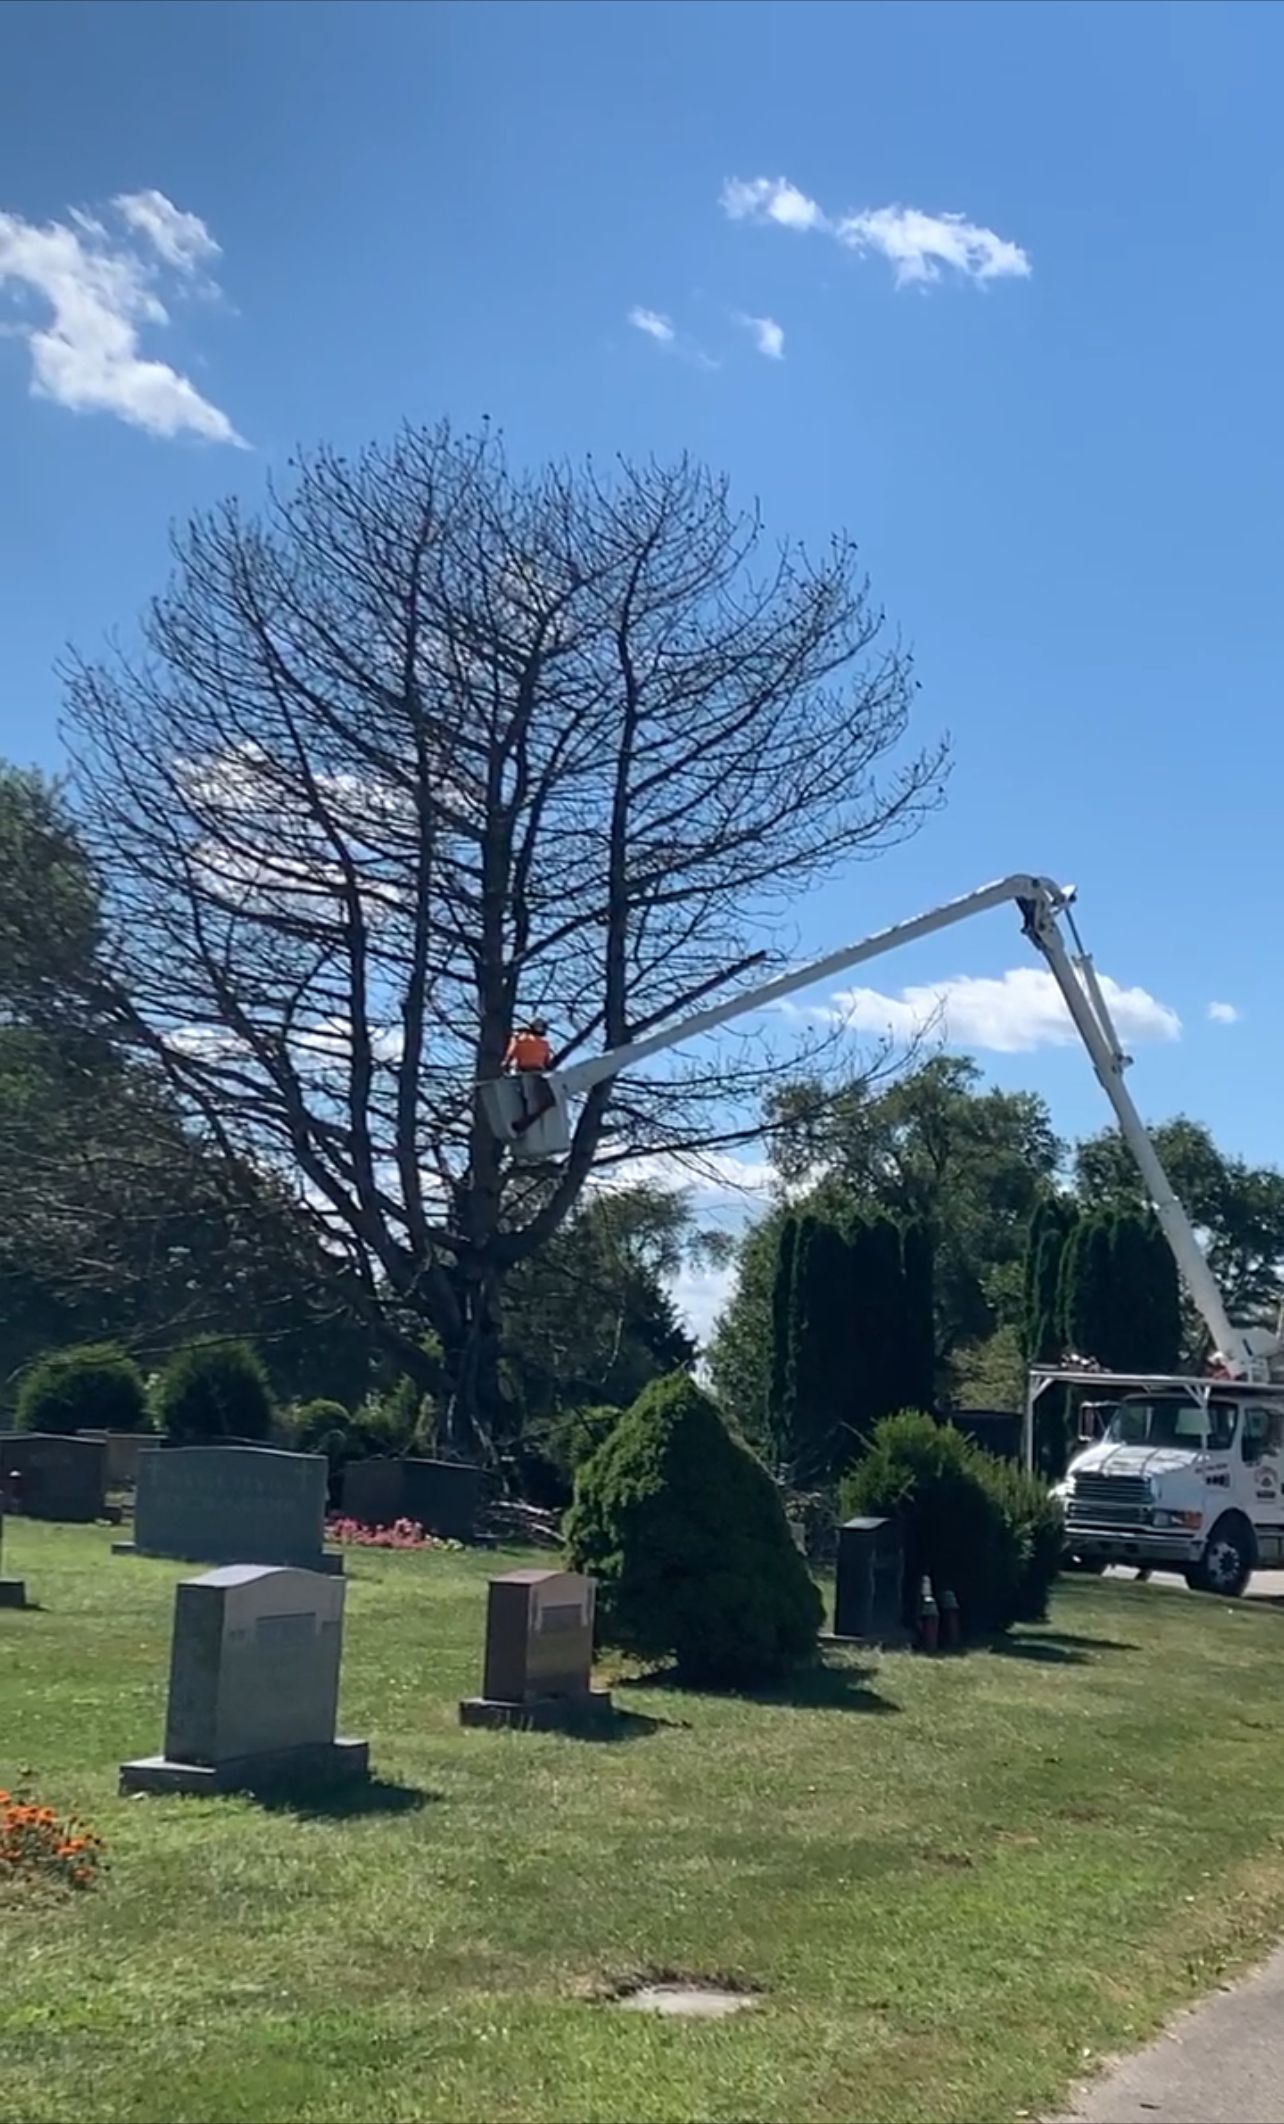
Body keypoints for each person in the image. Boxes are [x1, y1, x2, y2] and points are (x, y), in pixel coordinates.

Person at [502, 1018, 556, 1138]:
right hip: (531, 1073)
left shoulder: (540, 1043)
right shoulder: (524, 1040)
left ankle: (525, 1124)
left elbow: (547, 1063)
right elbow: (548, 1064)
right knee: (546, 1102)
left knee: (534, 1102)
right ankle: (523, 1124)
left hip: (532, 1073)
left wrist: (506, 1066)